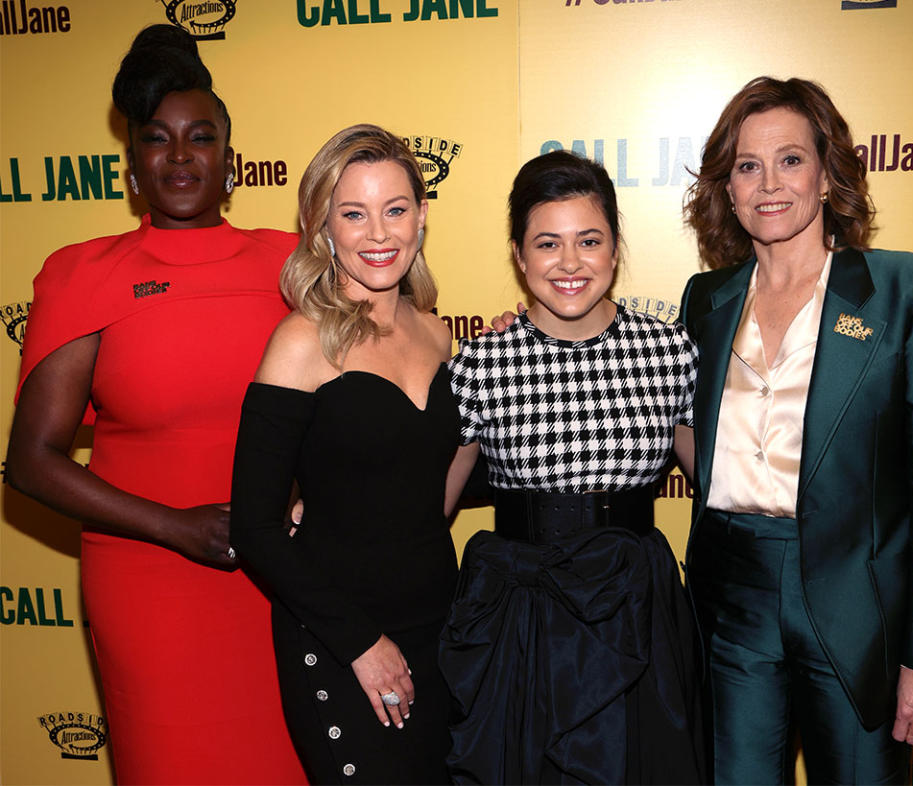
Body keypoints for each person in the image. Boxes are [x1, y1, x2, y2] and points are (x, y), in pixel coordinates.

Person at [5, 25, 308, 785]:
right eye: (158, 139)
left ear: (231, 162)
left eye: (201, 137)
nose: (180, 155)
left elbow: (364, 391)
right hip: (149, 584)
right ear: (134, 167)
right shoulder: (83, 275)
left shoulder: (293, 262)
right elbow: (30, 461)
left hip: (286, 577)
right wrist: (175, 527)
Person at [680, 76, 913, 785]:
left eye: (791, 160)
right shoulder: (704, 302)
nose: (768, 183)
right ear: (728, 186)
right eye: (747, 165)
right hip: (731, 601)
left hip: (856, 605)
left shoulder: (909, 290)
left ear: (828, 173)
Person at [440, 150, 704, 785]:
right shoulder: (480, 363)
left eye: (590, 240)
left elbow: (721, 488)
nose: (569, 263)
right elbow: (429, 505)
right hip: (521, 619)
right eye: (547, 243)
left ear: (615, 248)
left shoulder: (670, 351)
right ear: (519, 254)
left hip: (635, 611)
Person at [229, 124, 458, 785]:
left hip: (438, 629)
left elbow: (434, 483)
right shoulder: (302, 342)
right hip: (340, 637)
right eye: (353, 214)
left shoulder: (438, 334)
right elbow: (256, 526)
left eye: (395, 209)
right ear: (323, 227)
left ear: (421, 215)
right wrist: (359, 643)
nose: (378, 234)